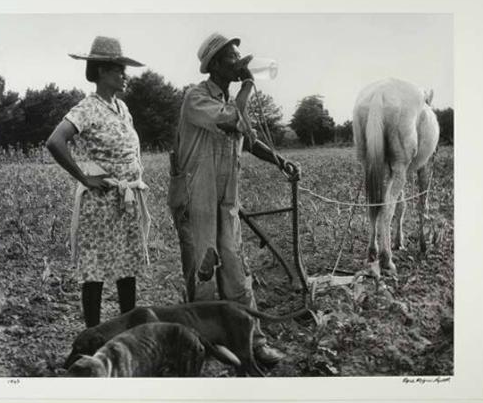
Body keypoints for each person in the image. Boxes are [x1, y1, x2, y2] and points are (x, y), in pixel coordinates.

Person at [167, 32, 300, 367]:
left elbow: (249, 139)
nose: (239, 63)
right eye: (231, 58)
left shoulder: (229, 97)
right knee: (203, 271)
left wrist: (280, 160)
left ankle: (253, 340)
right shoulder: (196, 98)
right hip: (197, 198)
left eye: (239, 57)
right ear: (213, 66)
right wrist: (248, 87)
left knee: (236, 268)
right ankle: (204, 347)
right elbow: (231, 121)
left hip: (226, 200)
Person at [46, 36, 150, 328]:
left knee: (126, 266)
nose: (125, 75)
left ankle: (128, 330)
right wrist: (84, 177)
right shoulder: (87, 107)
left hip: (125, 201)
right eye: (119, 69)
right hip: (101, 201)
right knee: (95, 270)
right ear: (102, 71)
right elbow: (55, 141)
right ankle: (92, 336)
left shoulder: (122, 108)